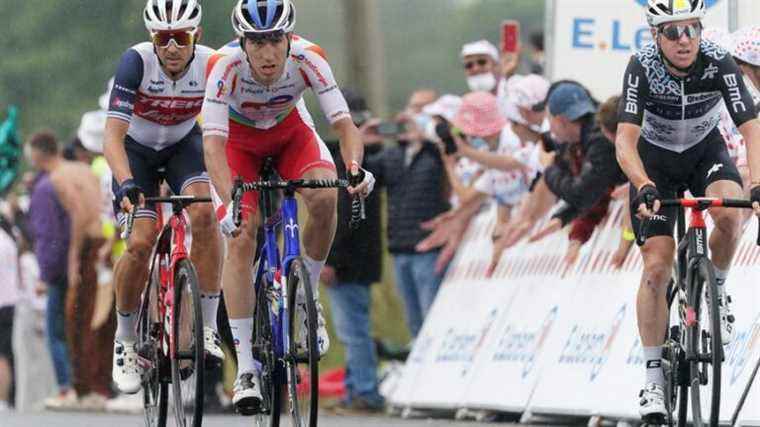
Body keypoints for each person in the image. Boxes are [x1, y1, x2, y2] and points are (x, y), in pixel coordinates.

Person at [201, 0, 375, 414]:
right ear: (243, 42)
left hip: (290, 134)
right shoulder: (223, 67)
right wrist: (229, 207)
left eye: (275, 40)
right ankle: (244, 367)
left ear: (288, 38)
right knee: (242, 234)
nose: (267, 52)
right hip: (238, 145)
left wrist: (353, 168)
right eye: (257, 42)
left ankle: (305, 296)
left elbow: (345, 126)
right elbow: (212, 145)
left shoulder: (309, 58)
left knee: (325, 192)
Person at [616, 0, 760, 421]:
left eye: (692, 30)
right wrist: (643, 184)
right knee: (657, 269)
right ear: (656, 37)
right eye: (673, 32)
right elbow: (625, 140)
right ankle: (653, 381)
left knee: (731, 216)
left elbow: (751, 127)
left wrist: (756, 184)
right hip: (655, 163)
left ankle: (717, 287)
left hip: (703, 152)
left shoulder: (718, 63)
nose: (684, 40)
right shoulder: (641, 66)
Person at [103, 0, 223, 394]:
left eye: (181, 37)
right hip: (135, 153)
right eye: (163, 38)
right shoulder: (135, 62)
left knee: (205, 215)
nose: (172, 47)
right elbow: (112, 138)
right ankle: (124, 341)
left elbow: (230, 127)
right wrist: (124, 184)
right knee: (139, 243)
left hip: (181, 147)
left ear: (197, 36)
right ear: (152, 38)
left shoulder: (211, 64)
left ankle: (206, 328)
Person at [362, 90, 450, 341]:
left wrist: (428, 136)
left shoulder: (438, 153)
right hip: (400, 249)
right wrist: (361, 143)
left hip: (429, 249)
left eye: (422, 110)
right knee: (414, 322)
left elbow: (453, 155)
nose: (413, 115)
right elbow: (363, 178)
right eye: (412, 108)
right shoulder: (393, 154)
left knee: (432, 320)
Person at [322, 89, 384, 413]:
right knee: (352, 330)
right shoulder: (349, 159)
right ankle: (354, 388)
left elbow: (344, 219)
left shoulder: (357, 164)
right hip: (361, 259)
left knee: (354, 331)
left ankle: (365, 391)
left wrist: (330, 260)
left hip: (350, 262)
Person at [26, 133, 76, 409]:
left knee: (55, 331)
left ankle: (65, 386)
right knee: (73, 326)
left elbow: (49, 235)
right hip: (74, 260)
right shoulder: (71, 175)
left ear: (38, 153)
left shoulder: (46, 187)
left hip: (57, 268)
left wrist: (45, 275)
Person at [0, 210, 19, 412]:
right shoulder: (8, 240)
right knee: (5, 353)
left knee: (2, 355)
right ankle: (5, 400)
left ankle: (2, 400)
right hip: (10, 301)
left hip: (1, 302)